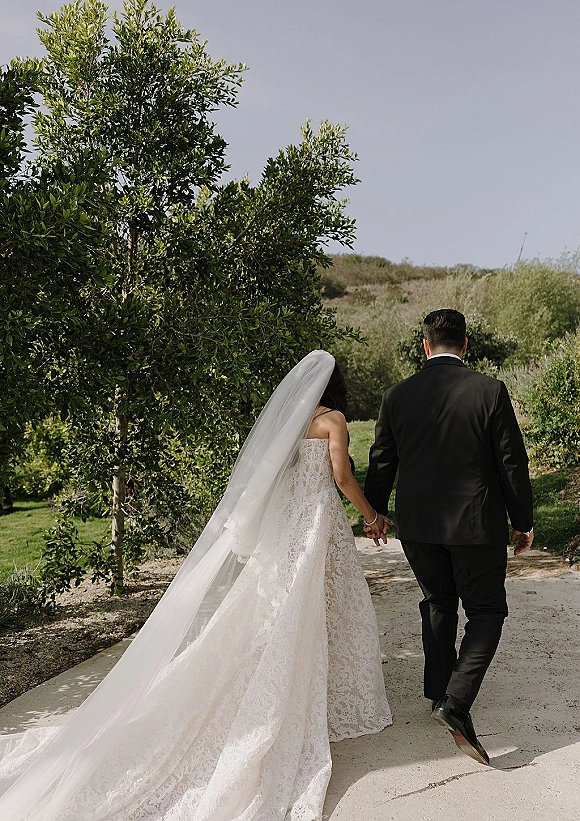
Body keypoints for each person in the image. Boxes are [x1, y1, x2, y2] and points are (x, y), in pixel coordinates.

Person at [0, 350, 391, 820]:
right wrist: (371, 516)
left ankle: (306, 689)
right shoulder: (334, 420)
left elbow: (270, 478)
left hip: (291, 518)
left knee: (284, 606)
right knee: (320, 605)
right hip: (318, 518)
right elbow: (342, 476)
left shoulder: (288, 422)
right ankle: (302, 694)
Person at [364, 309, 533, 766]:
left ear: (425, 345)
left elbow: (382, 461)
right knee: (487, 610)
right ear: (465, 344)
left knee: (438, 602)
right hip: (476, 525)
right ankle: (455, 703)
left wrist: (375, 512)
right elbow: (511, 463)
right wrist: (523, 520)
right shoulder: (489, 390)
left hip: (418, 526)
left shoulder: (396, 395)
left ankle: (439, 689)